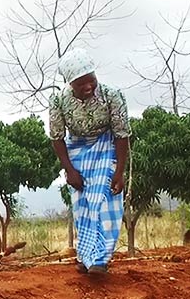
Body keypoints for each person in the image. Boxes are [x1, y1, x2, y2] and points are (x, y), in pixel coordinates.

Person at [49, 49, 130, 275]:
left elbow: (122, 134)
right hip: (76, 148)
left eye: (91, 81)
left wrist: (119, 171)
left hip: (106, 145)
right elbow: (56, 137)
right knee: (82, 205)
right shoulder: (58, 100)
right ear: (70, 84)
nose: (88, 87)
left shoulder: (112, 96)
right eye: (81, 84)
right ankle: (85, 257)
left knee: (104, 199)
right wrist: (69, 170)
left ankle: (101, 260)